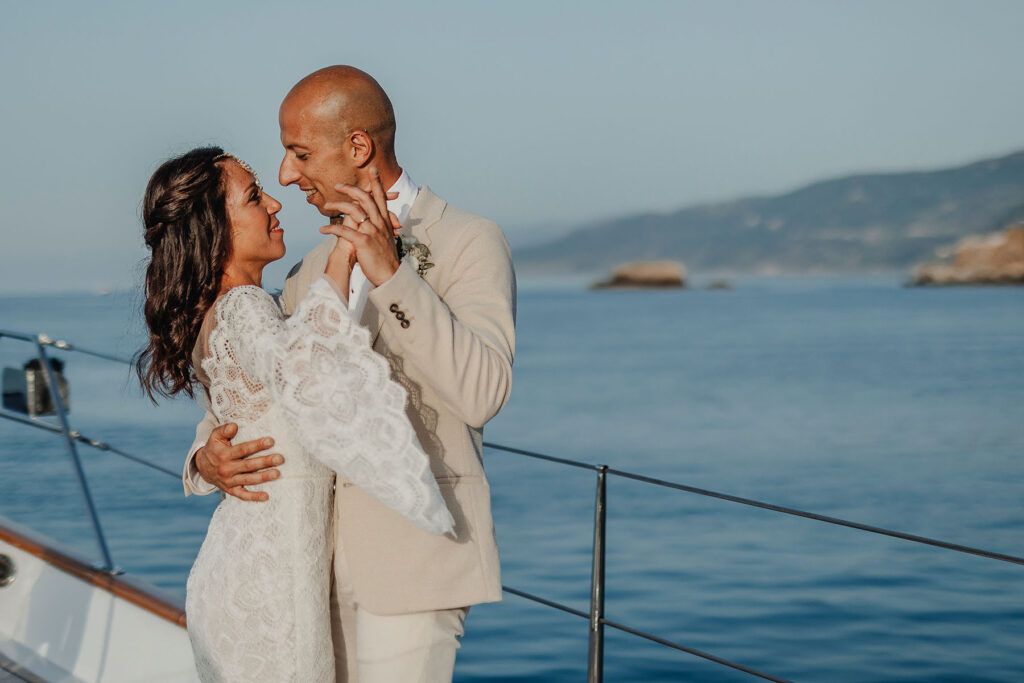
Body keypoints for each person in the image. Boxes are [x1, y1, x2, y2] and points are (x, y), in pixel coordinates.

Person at [182, 66, 517, 682]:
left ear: (359, 146)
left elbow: (483, 393)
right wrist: (205, 458)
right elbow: (263, 388)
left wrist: (393, 275)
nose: (286, 174)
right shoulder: (310, 268)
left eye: (300, 153)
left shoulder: (468, 240)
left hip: (415, 559)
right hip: (307, 570)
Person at [137, 147, 454, 681]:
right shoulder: (243, 306)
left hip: (268, 568)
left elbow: (256, 402)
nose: (275, 203)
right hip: (270, 583)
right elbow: (299, 372)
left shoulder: (236, 307)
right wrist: (343, 257)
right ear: (215, 228)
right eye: (253, 197)